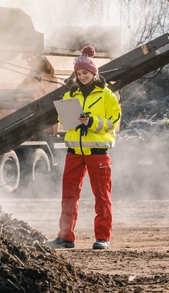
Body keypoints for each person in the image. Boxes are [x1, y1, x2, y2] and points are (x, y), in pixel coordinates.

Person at [46, 45, 121, 250]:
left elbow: (113, 121)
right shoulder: (72, 94)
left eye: (85, 72)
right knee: (68, 195)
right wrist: (68, 116)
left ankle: (103, 238)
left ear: (93, 73)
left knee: (102, 196)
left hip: (98, 153)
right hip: (74, 152)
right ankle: (65, 237)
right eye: (79, 73)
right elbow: (64, 119)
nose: (82, 76)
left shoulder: (107, 96)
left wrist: (91, 121)